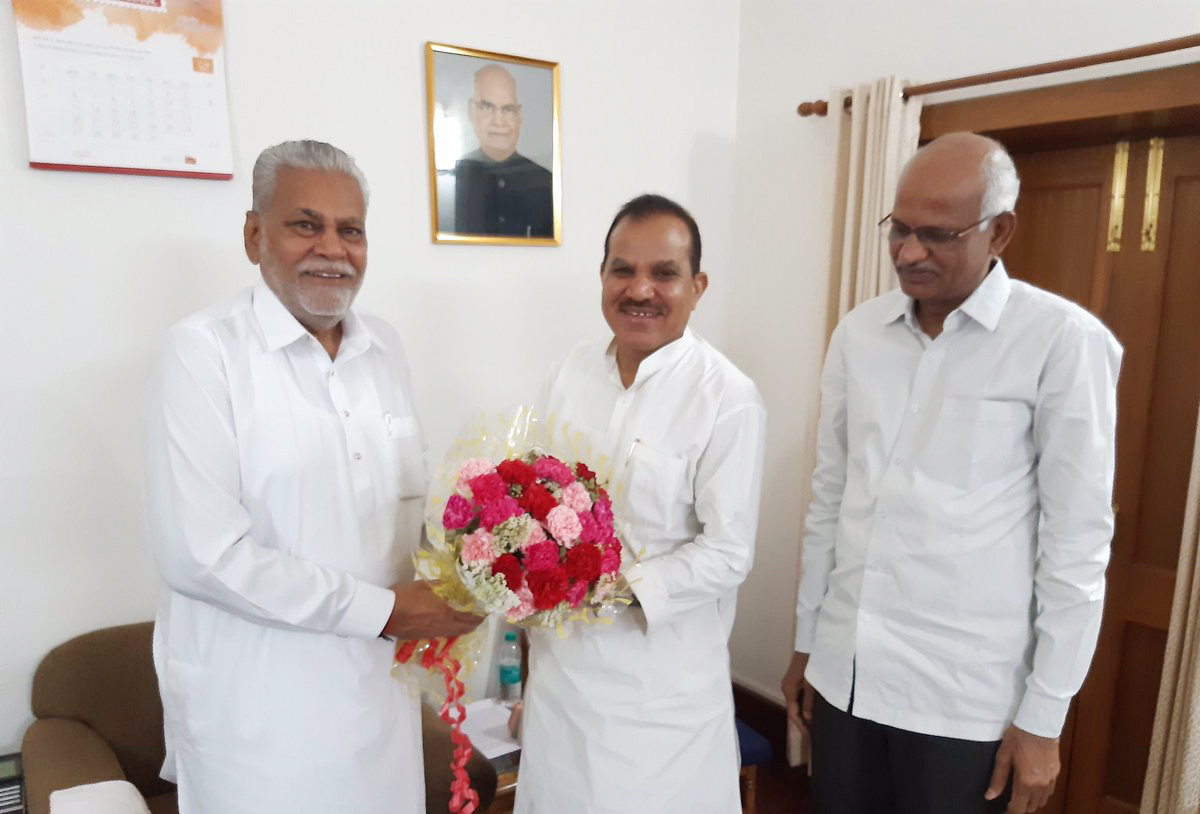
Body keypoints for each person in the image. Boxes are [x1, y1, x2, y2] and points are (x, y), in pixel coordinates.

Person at [780, 132, 1122, 814]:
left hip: (963, 700)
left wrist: (1044, 716)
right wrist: (807, 644)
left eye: (937, 235)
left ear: (1000, 232)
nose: (909, 253)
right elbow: (831, 499)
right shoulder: (859, 334)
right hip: (847, 674)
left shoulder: (1061, 342)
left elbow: (1077, 544)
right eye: (899, 230)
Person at [144, 139, 481, 814]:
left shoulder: (383, 346)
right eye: (306, 225)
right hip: (259, 719)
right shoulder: (203, 351)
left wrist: (486, 553)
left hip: (377, 701)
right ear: (254, 235)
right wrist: (386, 612)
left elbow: (404, 507)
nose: (333, 248)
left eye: (350, 230)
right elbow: (202, 556)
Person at [513, 194, 767, 813]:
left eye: (664, 273)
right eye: (623, 270)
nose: (640, 290)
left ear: (697, 287)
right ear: (602, 276)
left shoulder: (727, 397)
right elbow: (532, 506)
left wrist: (616, 587)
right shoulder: (567, 373)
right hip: (561, 689)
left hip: (661, 703)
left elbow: (728, 552)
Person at [453, 64, 553, 238]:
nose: (498, 121)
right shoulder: (454, 179)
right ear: (471, 111)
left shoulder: (544, 181)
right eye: (487, 107)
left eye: (508, 110)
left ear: (519, 116)